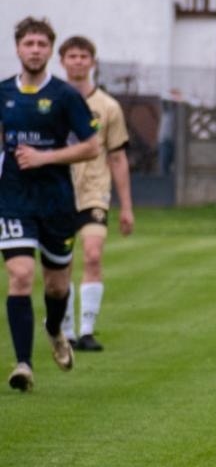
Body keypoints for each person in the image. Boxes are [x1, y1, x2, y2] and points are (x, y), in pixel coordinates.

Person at [0, 17, 99, 391]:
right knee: (21, 275)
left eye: (42, 44)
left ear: (49, 51)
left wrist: (45, 157)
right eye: (29, 44)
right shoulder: (3, 93)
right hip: (13, 200)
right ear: (18, 49)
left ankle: (55, 328)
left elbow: (91, 145)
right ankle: (24, 364)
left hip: (56, 202)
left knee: (57, 287)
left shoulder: (64, 96)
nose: (35, 50)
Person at [57, 36, 134, 352]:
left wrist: (126, 206)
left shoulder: (108, 106)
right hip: (58, 191)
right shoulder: (52, 100)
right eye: (71, 56)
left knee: (92, 254)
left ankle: (87, 330)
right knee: (62, 263)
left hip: (94, 191)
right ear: (62, 61)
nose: (77, 61)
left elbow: (117, 157)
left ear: (92, 62)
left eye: (83, 56)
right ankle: (67, 331)